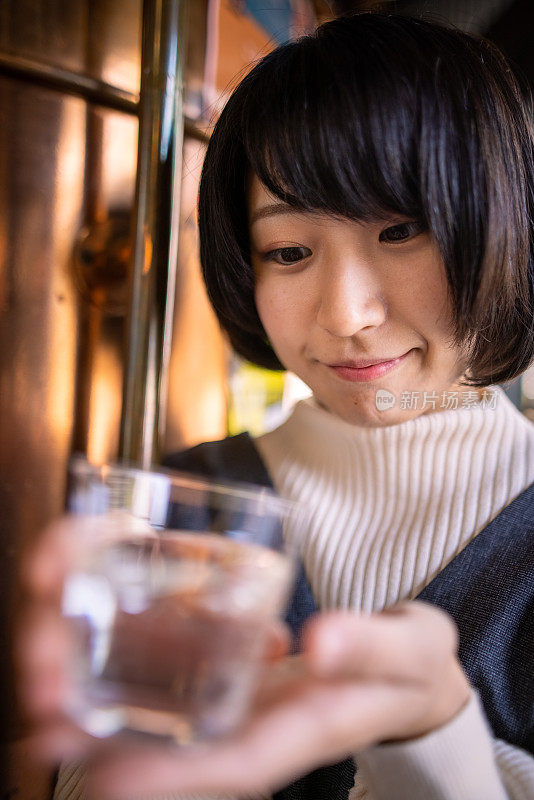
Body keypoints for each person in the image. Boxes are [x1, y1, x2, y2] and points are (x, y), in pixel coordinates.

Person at [21, 11, 534, 800]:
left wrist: (430, 731)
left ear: (502, 229)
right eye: (288, 251)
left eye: (401, 230)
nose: (345, 314)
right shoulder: (182, 513)